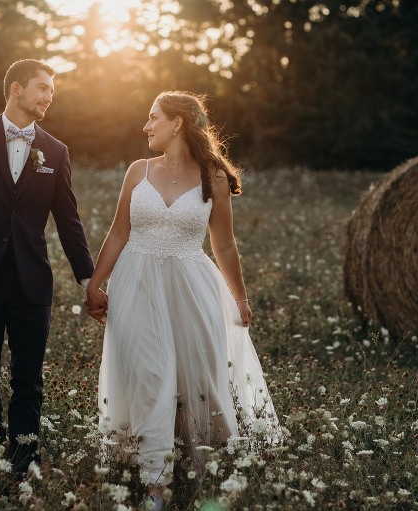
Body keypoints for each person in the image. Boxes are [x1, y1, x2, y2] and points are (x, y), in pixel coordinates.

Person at [84, 91, 281, 509]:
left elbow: (224, 245)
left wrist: (240, 298)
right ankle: (155, 484)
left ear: (177, 124)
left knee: (199, 381)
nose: (145, 126)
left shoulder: (214, 177)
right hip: (136, 283)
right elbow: (119, 232)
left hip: (193, 286)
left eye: (152, 118)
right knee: (150, 376)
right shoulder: (138, 171)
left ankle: (205, 469)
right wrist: (95, 284)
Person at [0, 59, 98, 478]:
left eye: (52, 90)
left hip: (32, 283)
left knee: (29, 379)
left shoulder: (57, 151)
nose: (49, 96)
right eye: (42, 87)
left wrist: (89, 279)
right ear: (16, 89)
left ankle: (23, 462)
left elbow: (69, 220)